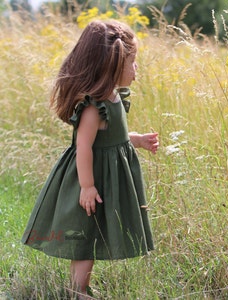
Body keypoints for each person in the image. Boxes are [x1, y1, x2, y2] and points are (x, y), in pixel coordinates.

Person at [21, 20, 159, 297]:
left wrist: (136, 140)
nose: (136, 69)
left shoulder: (114, 98)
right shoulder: (94, 107)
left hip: (106, 177)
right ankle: (77, 290)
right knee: (84, 236)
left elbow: (111, 138)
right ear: (112, 63)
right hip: (91, 178)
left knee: (94, 233)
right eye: (132, 62)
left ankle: (81, 287)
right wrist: (86, 186)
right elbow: (84, 145)